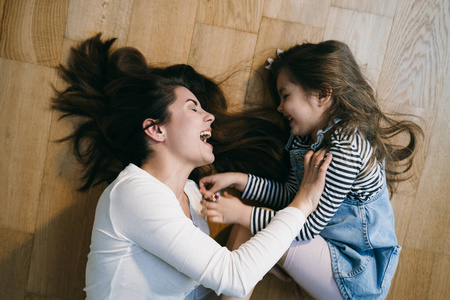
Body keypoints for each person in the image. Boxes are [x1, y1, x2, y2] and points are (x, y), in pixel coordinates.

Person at [51, 34, 332, 300]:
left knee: (248, 226)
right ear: (156, 130)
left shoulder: (192, 195)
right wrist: (304, 202)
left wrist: (263, 256)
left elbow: (214, 279)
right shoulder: (133, 194)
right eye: (193, 108)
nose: (209, 116)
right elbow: (235, 276)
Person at [200, 40, 422, 299]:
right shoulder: (307, 143)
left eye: (285, 96)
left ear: (322, 95)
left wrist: (241, 213)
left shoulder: (346, 148)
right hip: (330, 253)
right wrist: (241, 181)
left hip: (355, 271)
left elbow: (304, 228)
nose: (279, 108)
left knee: (248, 226)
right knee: (250, 227)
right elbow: (291, 198)